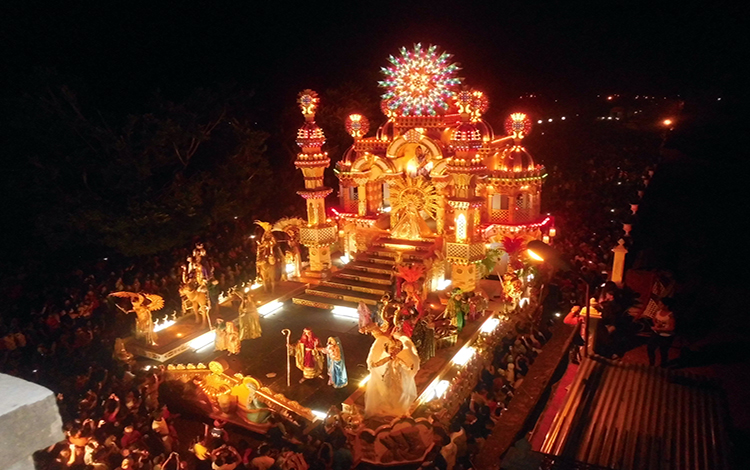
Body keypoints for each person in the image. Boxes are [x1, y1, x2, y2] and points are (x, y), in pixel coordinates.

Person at [647, 298, 676, 367]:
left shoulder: (670, 315)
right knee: (650, 348)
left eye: (661, 304)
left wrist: (660, 329)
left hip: (666, 336)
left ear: (666, 306)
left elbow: (671, 328)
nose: (659, 305)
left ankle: (663, 366)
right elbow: (654, 319)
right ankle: (651, 364)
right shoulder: (658, 311)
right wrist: (656, 324)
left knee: (663, 351)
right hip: (656, 334)